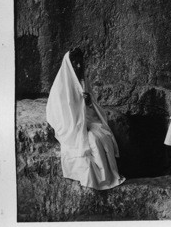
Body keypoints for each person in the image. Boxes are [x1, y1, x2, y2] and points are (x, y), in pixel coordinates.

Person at [46, 48, 125, 190]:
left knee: (103, 136)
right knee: (93, 141)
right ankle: (101, 180)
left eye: (80, 63)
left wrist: (89, 102)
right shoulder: (61, 86)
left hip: (87, 121)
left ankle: (110, 175)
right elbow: (57, 114)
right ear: (69, 64)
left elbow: (93, 107)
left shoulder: (83, 81)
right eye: (74, 63)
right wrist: (78, 124)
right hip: (72, 127)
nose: (78, 66)